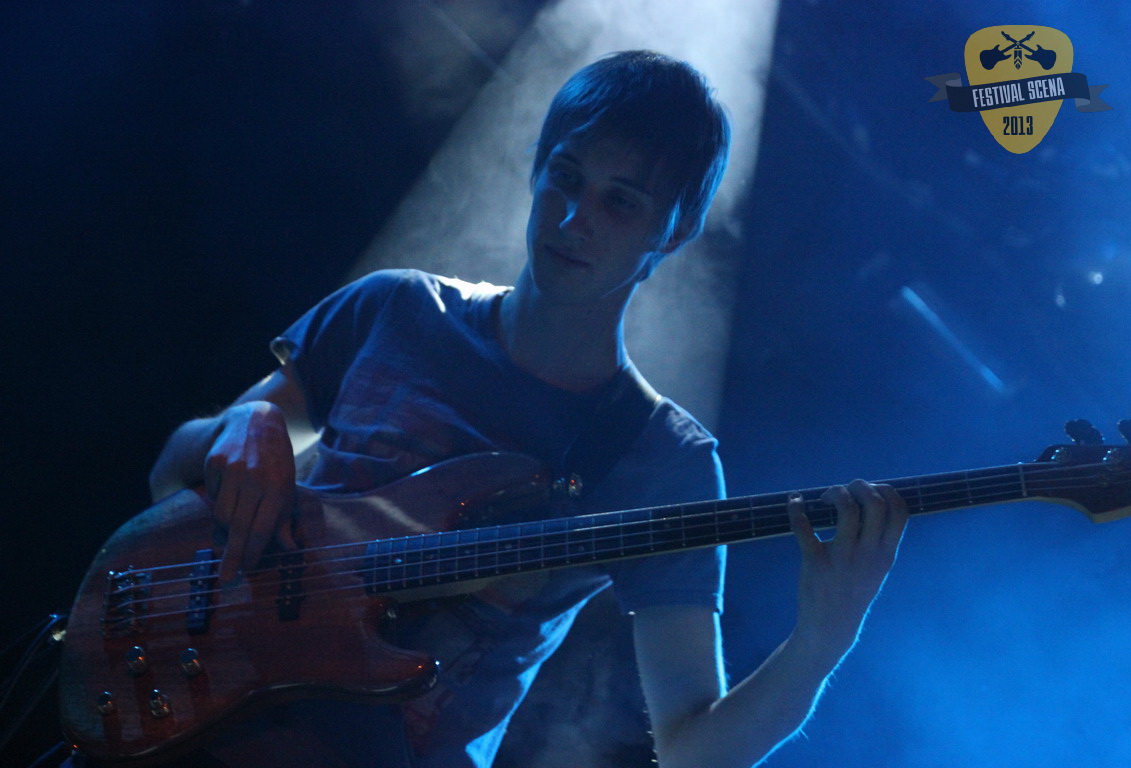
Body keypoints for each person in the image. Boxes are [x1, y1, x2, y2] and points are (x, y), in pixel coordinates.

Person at [140, 50, 907, 768]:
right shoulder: (396, 309)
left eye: (620, 201)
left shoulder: (663, 459)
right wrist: (246, 423)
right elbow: (173, 479)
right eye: (566, 177)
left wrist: (822, 640)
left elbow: (689, 747)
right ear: (537, 166)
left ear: (672, 231)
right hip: (198, 719)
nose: (573, 218)